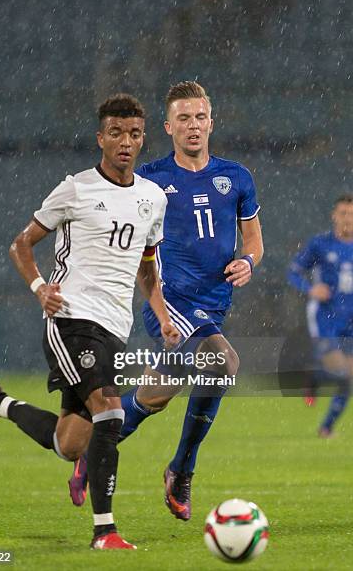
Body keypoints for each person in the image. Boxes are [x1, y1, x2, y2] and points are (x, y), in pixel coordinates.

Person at [0, 94, 180, 550]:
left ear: (143, 139)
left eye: (134, 134)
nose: (125, 142)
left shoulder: (152, 198)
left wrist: (161, 314)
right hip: (72, 318)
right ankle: (106, 532)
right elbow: (21, 244)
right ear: (101, 138)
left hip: (115, 328)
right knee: (112, 411)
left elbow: (146, 266)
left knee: (70, 445)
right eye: (116, 133)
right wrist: (40, 288)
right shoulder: (76, 188)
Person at [68, 81, 264, 520]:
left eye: (199, 117)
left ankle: (98, 449)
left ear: (211, 122)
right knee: (224, 362)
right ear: (168, 126)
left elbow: (253, 239)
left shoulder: (236, 177)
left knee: (157, 393)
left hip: (212, 307)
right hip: (169, 301)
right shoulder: (150, 179)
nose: (192, 126)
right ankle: (182, 469)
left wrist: (248, 261)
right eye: (183, 119)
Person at [288, 194, 353, 437]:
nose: (347, 219)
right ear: (334, 216)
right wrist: (310, 288)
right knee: (341, 371)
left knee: (348, 377)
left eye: (351, 214)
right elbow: (293, 272)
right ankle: (314, 377)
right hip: (326, 316)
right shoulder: (321, 244)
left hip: (351, 318)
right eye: (343, 214)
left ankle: (326, 427)